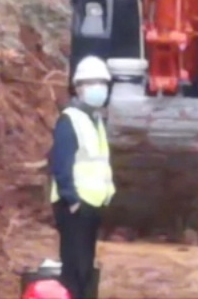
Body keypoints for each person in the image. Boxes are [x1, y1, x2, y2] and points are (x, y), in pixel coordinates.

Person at [49, 56, 115, 299]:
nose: (99, 88)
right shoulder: (70, 120)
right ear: (78, 87)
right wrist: (72, 199)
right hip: (74, 206)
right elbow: (61, 163)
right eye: (92, 82)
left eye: (103, 83)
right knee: (74, 269)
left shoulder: (95, 120)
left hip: (91, 206)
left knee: (85, 268)